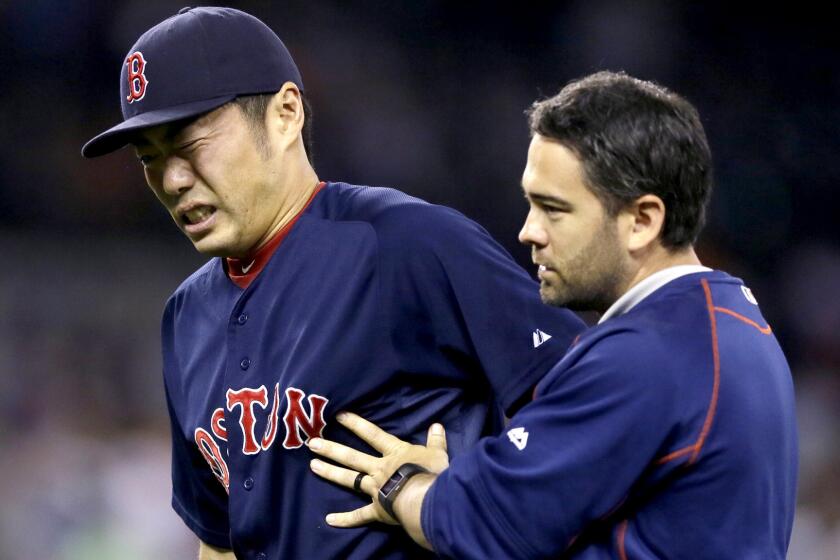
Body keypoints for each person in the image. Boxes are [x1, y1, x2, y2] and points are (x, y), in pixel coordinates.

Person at [81, 7, 585, 560]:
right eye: (149, 158)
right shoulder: (186, 316)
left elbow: (591, 399)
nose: (172, 179)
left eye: (190, 145)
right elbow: (220, 541)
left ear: (286, 113)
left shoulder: (407, 243)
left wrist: (476, 489)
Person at [307, 71, 799, 559]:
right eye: (530, 205)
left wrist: (406, 488)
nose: (529, 231)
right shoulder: (727, 319)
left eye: (554, 209)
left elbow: (486, 522)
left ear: (643, 220)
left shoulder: (650, 353)